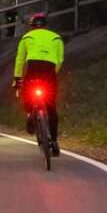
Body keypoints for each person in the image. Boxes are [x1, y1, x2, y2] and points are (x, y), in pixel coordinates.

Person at [12, 11, 64, 155]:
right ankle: (54, 141)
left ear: (32, 26)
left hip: (33, 66)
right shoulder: (56, 37)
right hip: (49, 68)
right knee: (51, 107)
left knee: (27, 90)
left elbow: (20, 60)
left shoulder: (26, 37)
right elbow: (60, 60)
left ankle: (30, 114)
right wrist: (54, 73)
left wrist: (17, 79)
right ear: (46, 26)